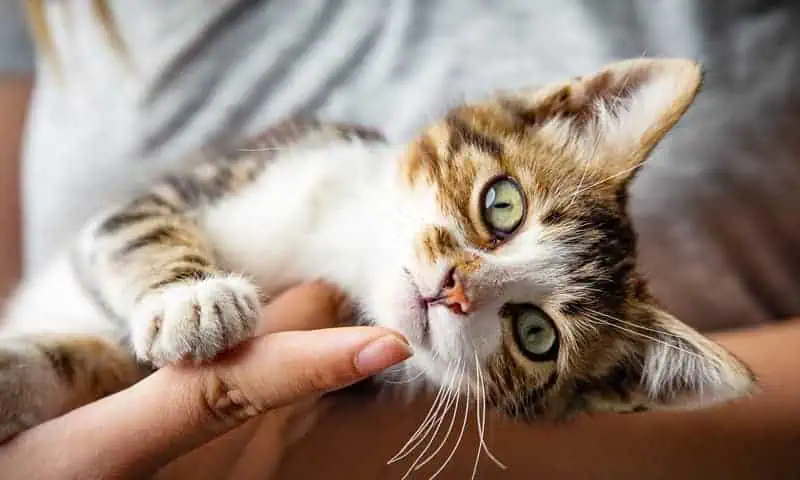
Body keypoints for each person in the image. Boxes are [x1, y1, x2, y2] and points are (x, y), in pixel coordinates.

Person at [1, 1, 798, 478]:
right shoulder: (317, 169)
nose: (465, 289)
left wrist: (298, 447)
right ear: (559, 111)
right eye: (502, 209)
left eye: (533, 332)